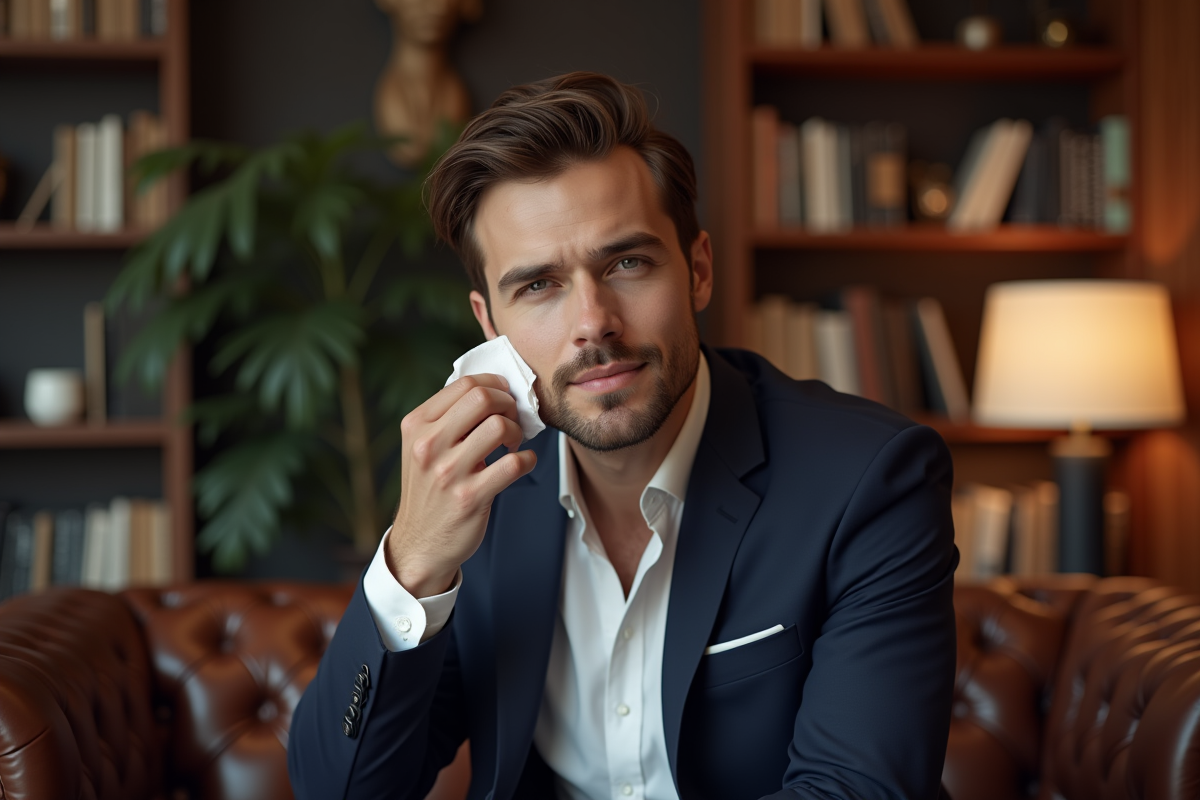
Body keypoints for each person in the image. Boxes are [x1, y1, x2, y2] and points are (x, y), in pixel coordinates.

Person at [288, 72, 957, 800]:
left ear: (697, 270)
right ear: (489, 325)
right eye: (539, 285)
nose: (593, 322)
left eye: (627, 263)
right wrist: (413, 564)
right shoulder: (477, 496)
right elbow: (341, 792)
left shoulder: (868, 479)